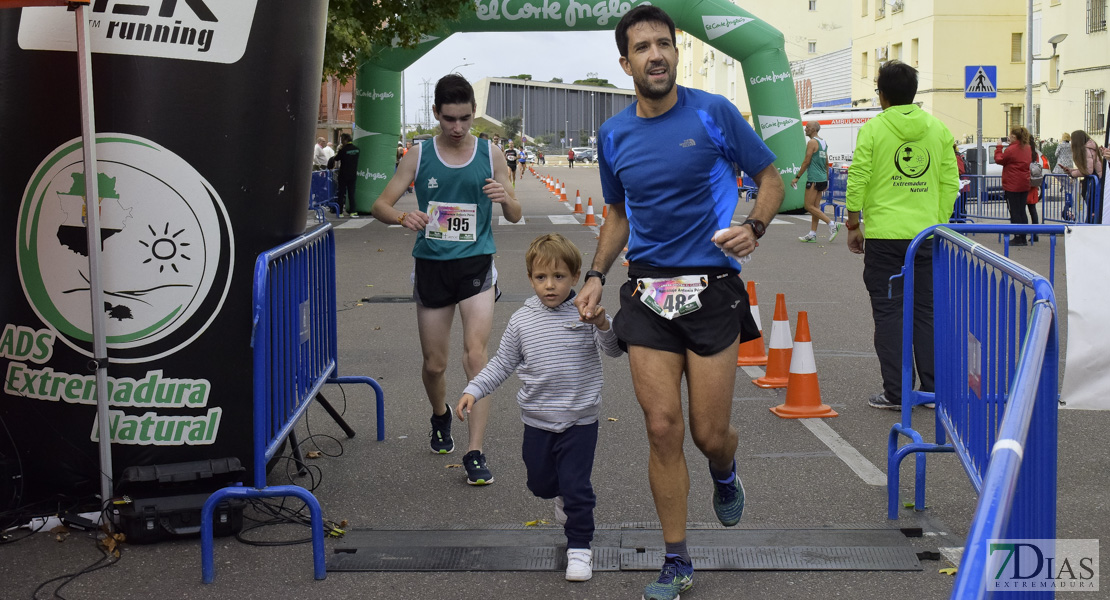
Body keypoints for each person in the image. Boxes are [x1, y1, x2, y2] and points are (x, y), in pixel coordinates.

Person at [574, 6, 783, 600]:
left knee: (707, 432)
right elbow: (617, 214)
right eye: (642, 48)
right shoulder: (613, 134)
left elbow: (770, 176)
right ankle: (676, 559)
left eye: (664, 45)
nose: (656, 55)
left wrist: (756, 226)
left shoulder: (713, 113)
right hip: (647, 289)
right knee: (661, 426)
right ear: (626, 63)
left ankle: (725, 470)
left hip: (712, 286)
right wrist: (594, 274)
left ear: (675, 53)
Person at [370, 74, 522, 485]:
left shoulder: (491, 153)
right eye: (450, 119)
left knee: (476, 356)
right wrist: (404, 216)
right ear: (436, 113)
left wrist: (506, 198)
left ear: (474, 114)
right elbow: (379, 204)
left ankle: (475, 451)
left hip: (476, 266)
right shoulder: (418, 155)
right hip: (433, 266)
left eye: (466, 119)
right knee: (435, 365)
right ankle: (440, 417)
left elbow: (515, 213)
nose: (457, 128)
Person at [455, 233, 623, 582]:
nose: (550, 286)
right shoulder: (522, 320)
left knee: (577, 485)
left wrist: (603, 324)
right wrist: (474, 389)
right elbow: (502, 363)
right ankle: (560, 495)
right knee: (542, 484)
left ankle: (580, 548)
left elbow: (614, 349)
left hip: (580, 420)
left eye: (559, 277)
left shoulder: (585, 313)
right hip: (537, 420)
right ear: (530, 278)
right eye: (541, 277)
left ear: (576, 277)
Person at [844, 60, 959, 411]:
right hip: (925, 236)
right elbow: (949, 182)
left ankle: (897, 392)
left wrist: (853, 223)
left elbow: (859, 176)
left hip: (884, 238)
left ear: (882, 96)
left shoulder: (875, 129)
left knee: (890, 313)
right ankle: (933, 389)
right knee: (926, 311)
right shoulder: (938, 129)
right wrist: (935, 223)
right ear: (913, 93)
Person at [791, 121, 839, 242]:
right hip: (822, 178)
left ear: (813, 129)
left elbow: (806, 161)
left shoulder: (812, 142)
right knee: (815, 208)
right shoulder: (823, 142)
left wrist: (797, 176)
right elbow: (826, 163)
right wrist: (826, 179)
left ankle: (832, 224)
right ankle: (812, 234)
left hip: (814, 178)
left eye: (807, 127)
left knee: (808, 206)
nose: (805, 129)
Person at [996, 126, 1033, 245]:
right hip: (1024, 182)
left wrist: (999, 147)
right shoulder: (1027, 148)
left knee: (1014, 211)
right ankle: (1023, 236)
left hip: (1012, 183)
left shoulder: (1011, 149)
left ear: (1013, 136)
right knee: (1022, 210)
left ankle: (1017, 236)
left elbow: (999, 159)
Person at [1064, 129, 1105, 224]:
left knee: (1089, 208)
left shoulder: (1086, 150)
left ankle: (1088, 226)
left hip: (1093, 183)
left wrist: (1073, 173)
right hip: (1097, 180)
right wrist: (1072, 170)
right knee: (1093, 208)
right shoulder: (1092, 147)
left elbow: (1088, 170)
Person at [327, 133, 360, 217]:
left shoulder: (343, 150)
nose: (341, 142)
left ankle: (340, 212)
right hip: (352, 174)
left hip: (343, 174)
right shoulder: (357, 149)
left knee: (341, 193)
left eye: (342, 140)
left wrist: (339, 151)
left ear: (345, 140)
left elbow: (337, 158)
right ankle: (353, 211)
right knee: (351, 193)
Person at [1026, 146, 1049, 241]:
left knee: (1024, 211)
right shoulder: (1034, 152)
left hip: (1027, 181)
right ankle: (1035, 234)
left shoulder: (1026, 150)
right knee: (1032, 209)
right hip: (1033, 183)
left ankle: (1024, 233)